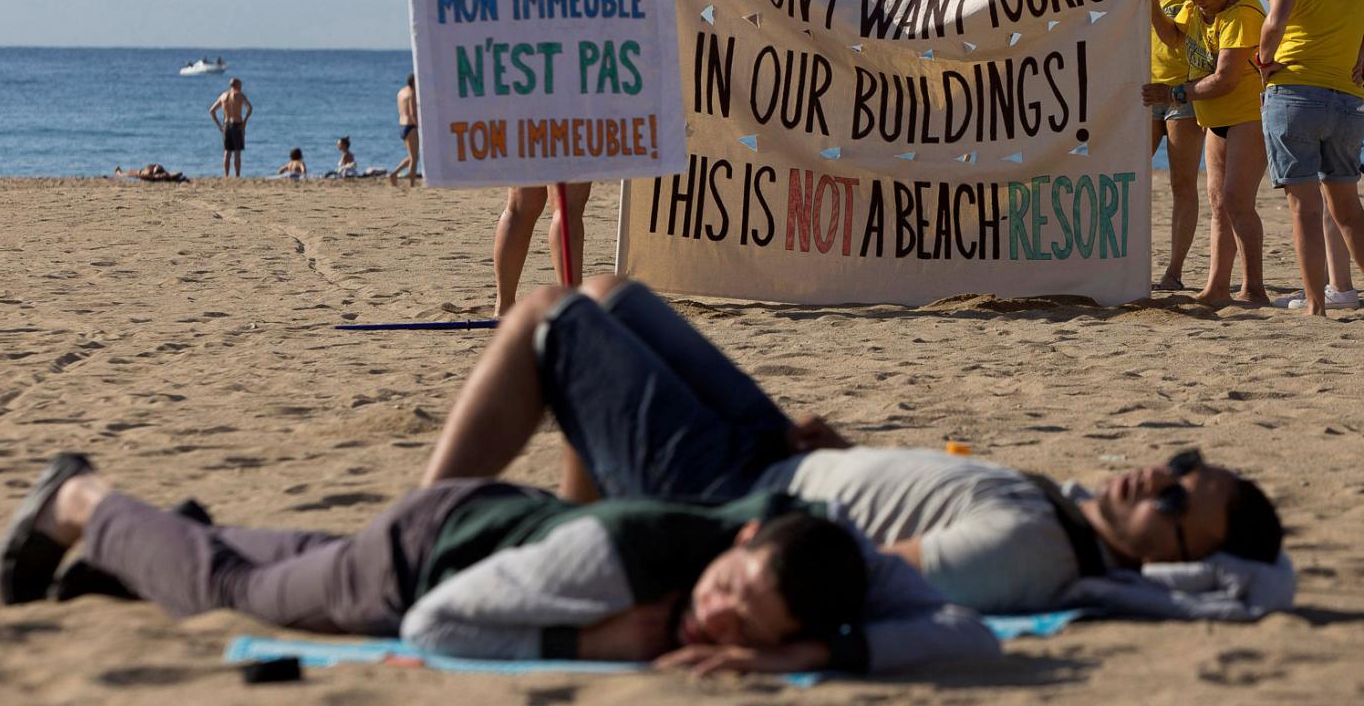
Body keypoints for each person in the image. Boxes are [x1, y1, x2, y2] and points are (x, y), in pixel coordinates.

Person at [418, 276, 1285, 615]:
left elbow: (866, 576)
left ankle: (419, 538)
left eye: (1174, 503)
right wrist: (851, 453)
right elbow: (906, 503)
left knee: (549, 317)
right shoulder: (1057, 510)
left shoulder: (1027, 551)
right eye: (1181, 467)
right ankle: (570, 539)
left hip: (740, 498)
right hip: (784, 454)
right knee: (609, 295)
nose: (1156, 480)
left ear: (1165, 562)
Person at [0, 454, 999, 676]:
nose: (719, 622)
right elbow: (435, 627)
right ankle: (82, 502)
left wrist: (798, 659)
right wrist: (590, 637)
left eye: (750, 626)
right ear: (742, 543)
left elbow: (972, 639)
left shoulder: (829, 557)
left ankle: (137, 551)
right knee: (240, 590)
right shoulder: (620, 566)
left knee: (300, 558)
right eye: (728, 595)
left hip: (498, 528)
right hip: (426, 560)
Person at [1033, 0, 1202, 291]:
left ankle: (1173, 272)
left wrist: (1153, 1)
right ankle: (1108, 263)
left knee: (1183, 184)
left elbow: (1175, 39)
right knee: (1118, 177)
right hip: (1141, 92)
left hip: (1181, 92)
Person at [1257, 0, 1364, 315]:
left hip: (1295, 92)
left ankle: (1316, 303)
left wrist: (1263, 64)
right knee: (1348, 208)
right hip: (1346, 97)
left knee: (1302, 207)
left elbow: (1274, 23)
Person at [1143, 0, 1269, 306]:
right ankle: (1217, 287)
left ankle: (1254, 288)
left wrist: (1174, 94)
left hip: (1247, 115)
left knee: (1236, 200)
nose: (1195, 0)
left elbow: (1225, 79)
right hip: (1214, 119)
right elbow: (1173, 36)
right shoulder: (1200, 3)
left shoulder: (1242, 13)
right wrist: (1153, 4)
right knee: (1218, 201)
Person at [494, 0, 594, 315]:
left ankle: (505, 305)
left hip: (529, 102)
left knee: (525, 206)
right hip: (555, 101)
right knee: (555, 207)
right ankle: (564, 301)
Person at [208, 78, 252, 177]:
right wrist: (244, 122)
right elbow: (250, 108)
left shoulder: (223, 96)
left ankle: (226, 175)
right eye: (240, 84)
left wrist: (219, 125)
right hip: (237, 125)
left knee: (227, 152)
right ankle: (237, 176)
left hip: (226, 125)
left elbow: (212, 111)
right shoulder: (240, 95)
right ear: (236, 85)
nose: (241, 86)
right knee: (237, 153)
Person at [390, 73, 419, 187]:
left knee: (412, 156)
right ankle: (412, 185)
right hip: (410, 126)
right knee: (414, 158)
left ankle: (395, 173)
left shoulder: (401, 92)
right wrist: (418, 126)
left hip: (402, 125)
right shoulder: (412, 93)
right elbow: (413, 113)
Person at [113, 164, 187, 183]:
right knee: (132, 172)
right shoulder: (165, 174)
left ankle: (119, 172)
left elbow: (136, 175)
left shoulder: (150, 175)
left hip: (142, 172)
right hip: (143, 172)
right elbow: (178, 173)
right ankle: (119, 172)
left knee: (131, 172)